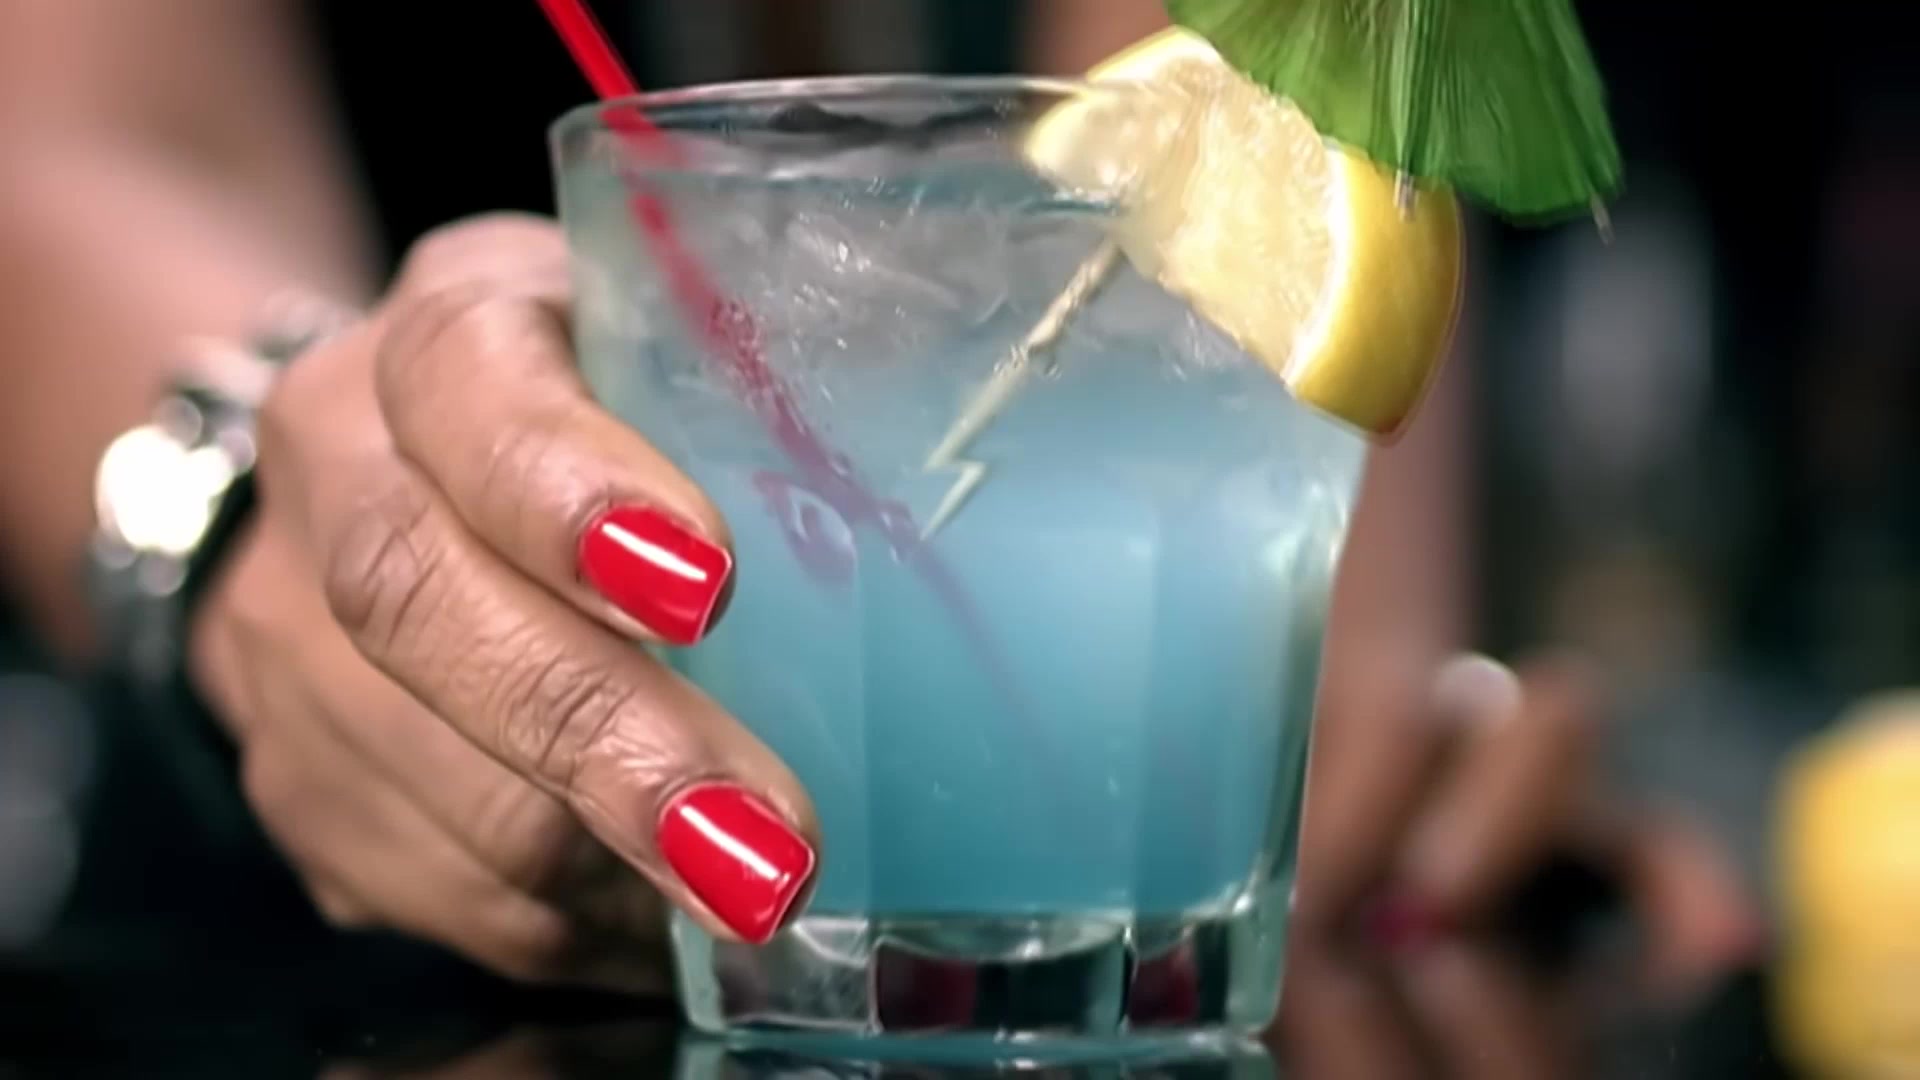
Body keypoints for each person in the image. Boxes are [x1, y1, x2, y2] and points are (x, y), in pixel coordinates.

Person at [0, 0, 1757, 1065]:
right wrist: (251, 496)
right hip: (258, 956)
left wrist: (1374, 763)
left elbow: (1283, 173)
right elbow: (83, 158)